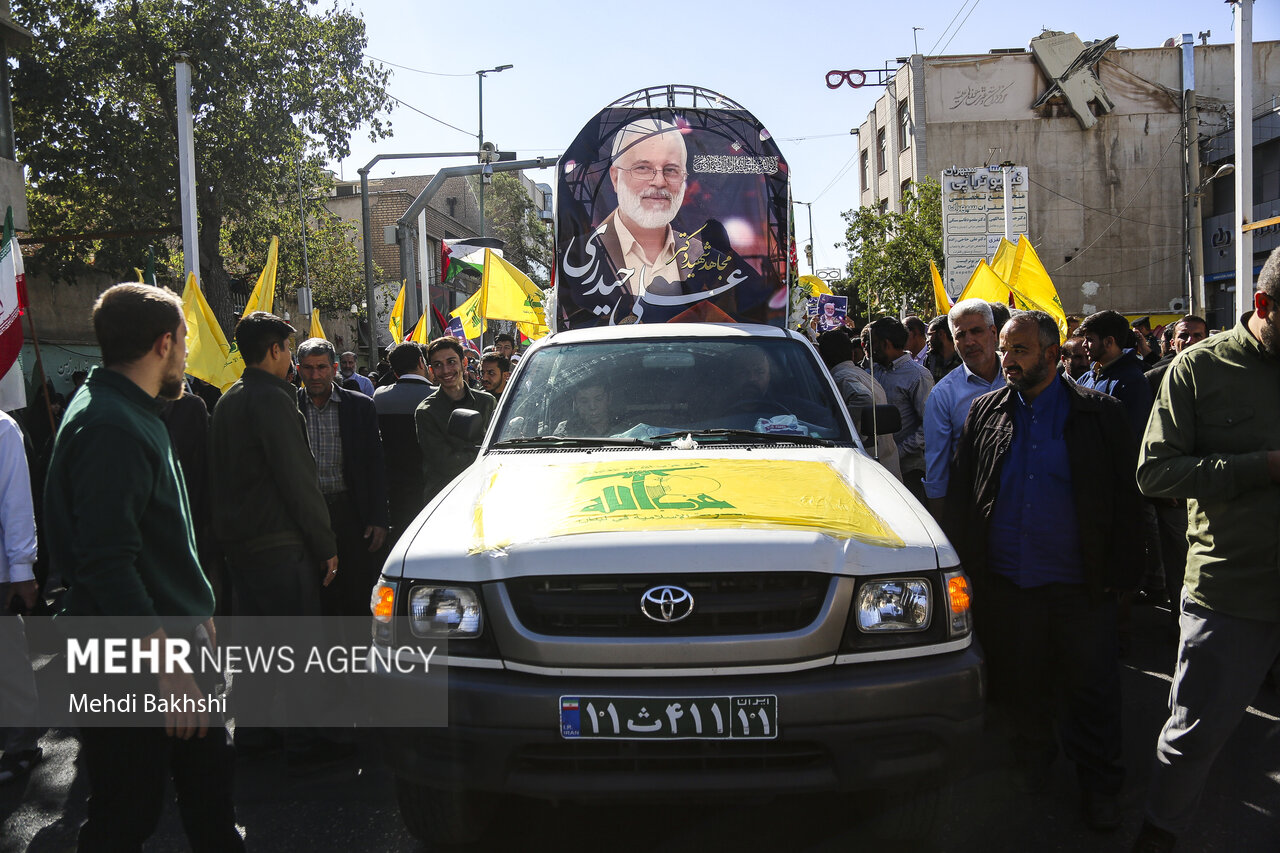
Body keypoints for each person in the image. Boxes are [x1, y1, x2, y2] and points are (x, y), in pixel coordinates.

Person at [44, 283, 243, 851]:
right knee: (125, 816)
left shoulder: (129, 409)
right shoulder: (111, 425)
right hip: (137, 660)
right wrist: (171, 670)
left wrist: (197, 613)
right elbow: (107, 564)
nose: (186, 352)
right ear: (163, 343)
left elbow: (156, 542)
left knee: (209, 800)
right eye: (184, 339)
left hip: (166, 644)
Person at [943, 310, 1142, 832]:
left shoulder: (1101, 415)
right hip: (1009, 587)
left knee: (1092, 693)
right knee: (1021, 686)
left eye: (1019, 351)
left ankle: (1101, 787)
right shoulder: (983, 413)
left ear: (1052, 355)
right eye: (1005, 350)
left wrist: (1124, 579)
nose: (1006, 360)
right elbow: (966, 496)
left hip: (1082, 588)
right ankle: (1031, 768)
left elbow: (1127, 501)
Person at [1130, 248, 1280, 853]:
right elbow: (1155, 474)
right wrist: (1260, 468)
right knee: (1192, 735)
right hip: (1230, 591)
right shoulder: (1197, 370)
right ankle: (1159, 833)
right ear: (1263, 306)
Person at [208, 313, 340, 765]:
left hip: (241, 548)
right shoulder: (272, 399)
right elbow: (298, 477)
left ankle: (254, 736)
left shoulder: (229, 400)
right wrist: (325, 545)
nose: (292, 358)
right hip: (280, 546)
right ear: (275, 351)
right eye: (289, 349)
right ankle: (305, 746)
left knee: (257, 649)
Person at [295, 338, 389, 631]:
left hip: (350, 513)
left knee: (355, 594)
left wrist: (378, 517)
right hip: (307, 516)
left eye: (322, 367)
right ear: (298, 370)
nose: (315, 375)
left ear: (335, 368)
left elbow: (374, 464)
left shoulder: (360, 406)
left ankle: (356, 666)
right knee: (315, 592)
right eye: (308, 368)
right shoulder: (288, 405)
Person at [922, 299, 1005, 518]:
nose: (969, 342)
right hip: (974, 510)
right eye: (960, 335)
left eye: (976, 331)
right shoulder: (943, 395)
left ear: (993, 332)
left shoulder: (1020, 376)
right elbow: (937, 471)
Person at [0, 408, 41, 786]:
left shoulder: (2, 427)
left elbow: (15, 502)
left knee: (7, 656)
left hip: (1, 572)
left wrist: (22, 569)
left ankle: (21, 743)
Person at [415, 338, 497, 503]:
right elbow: (447, 463)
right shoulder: (426, 411)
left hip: (485, 494)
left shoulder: (487, 402)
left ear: (464, 362)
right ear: (431, 369)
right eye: (437, 365)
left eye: (451, 362)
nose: (445, 370)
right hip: (444, 498)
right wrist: (482, 455)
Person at [816, 330, 901, 481]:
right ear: (852, 354)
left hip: (870, 471)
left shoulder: (842, 377)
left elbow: (864, 399)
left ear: (822, 356)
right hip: (884, 467)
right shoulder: (862, 375)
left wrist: (836, 423)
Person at [373, 342, 435, 541]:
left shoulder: (380, 396)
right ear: (421, 362)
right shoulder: (436, 396)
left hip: (393, 485)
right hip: (428, 485)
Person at [867, 317, 933, 501]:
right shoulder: (874, 371)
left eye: (874, 344)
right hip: (876, 466)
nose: (870, 350)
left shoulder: (918, 375)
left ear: (886, 343)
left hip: (909, 469)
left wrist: (897, 452)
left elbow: (928, 426)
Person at [1077, 310, 1154, 440]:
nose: (1084, 345)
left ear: (1108, 342)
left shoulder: (1133, 382)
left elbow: (1131, 435)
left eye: (1089, 339)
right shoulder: (1086, 378)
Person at [1144, 315, 1207, 394]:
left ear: (1207, 341)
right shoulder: (1155, 378)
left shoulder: (1221, 373)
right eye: (1184, 336)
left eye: (1197, 336)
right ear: (1172, 344)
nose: (1190, 341)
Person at [923, 315, 961, 382]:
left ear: (941, 333)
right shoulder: (930, 359)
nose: (927, 340)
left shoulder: (963, 358)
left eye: (929, 335)